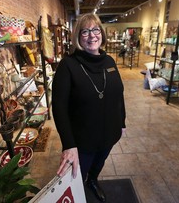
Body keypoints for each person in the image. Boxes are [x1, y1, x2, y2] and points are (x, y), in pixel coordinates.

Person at [52, 13, 126, 202]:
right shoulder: (68, 65)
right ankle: (77, 193)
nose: (92, 35)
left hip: (109, 133)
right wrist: (69, 145)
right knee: (75, 176)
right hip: (82, 140)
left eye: (95, 30)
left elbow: (119, 94)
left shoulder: (108, 61)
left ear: (101, 33)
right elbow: (59, 107)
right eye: (85, 31)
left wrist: (122, 121)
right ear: (78, 37)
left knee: (98, 163)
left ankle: (92, 180)